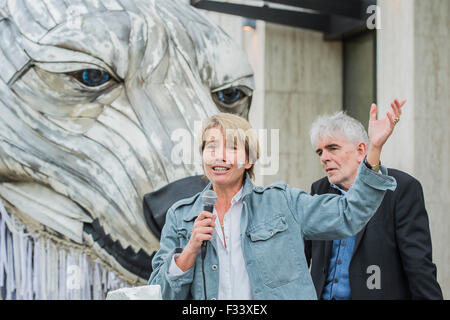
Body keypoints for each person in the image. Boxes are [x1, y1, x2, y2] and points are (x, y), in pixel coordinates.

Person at [149, 100, 402, 300]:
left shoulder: (282, 202)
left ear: (248, 160)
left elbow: (348, 215)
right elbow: (158, 292)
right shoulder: (179, 216)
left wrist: (374, 151)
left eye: (231, 148)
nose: (219, 156)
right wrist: (189, 251)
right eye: (212, 147)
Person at [304, 107, 443, 300]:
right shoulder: (318, 191)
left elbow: (418, 266)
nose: (324, 158)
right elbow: (301, 257)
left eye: (332, 148)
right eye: (319, 152)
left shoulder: (401, 189)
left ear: (360, 150)